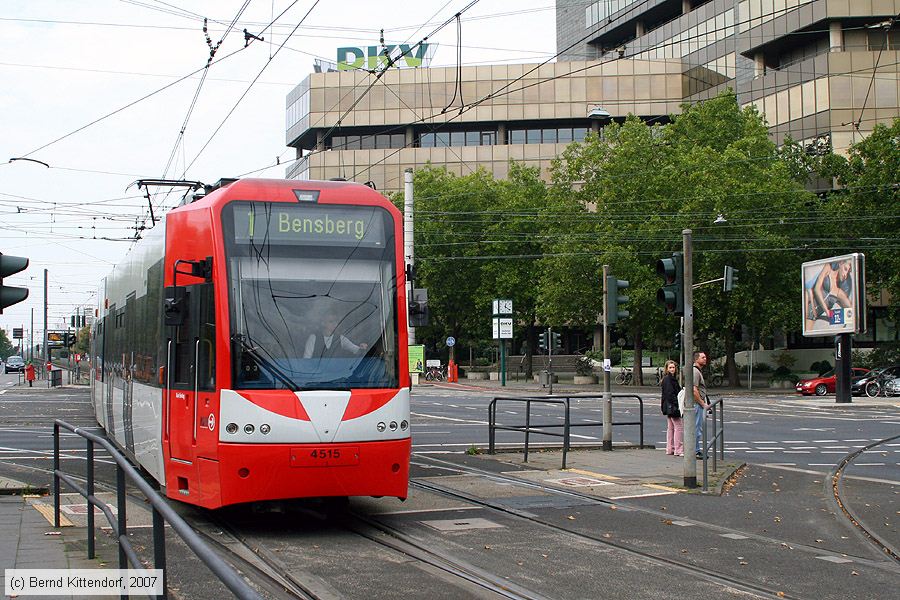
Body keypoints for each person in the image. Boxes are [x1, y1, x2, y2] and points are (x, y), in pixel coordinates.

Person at [303, 312, 368, 359]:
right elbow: (306, 359)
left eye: (335, 321)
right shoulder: (313, 338)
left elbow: (355, 349)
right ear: (323, 323)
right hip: (317, 375)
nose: (335, 323)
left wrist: (361, 348)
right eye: (331, 321)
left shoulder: (341, 338)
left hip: (334, 375)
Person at [659, 359, 683, 456]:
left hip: (668, 406)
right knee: (679, 427)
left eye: (673, 367)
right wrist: (677, 405)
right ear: (666, 369)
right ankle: (678, 449)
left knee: (671, 428)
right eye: (670, 368)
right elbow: (671, 394)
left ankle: (670, 448)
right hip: (672, 406)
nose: (672, 369)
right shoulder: (669, 379)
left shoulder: (666, 379)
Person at [692, 351, 712, 458]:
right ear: (696, 359)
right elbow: (694, 389)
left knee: (697, 427)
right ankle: (695, 451)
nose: (705, 359)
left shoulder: (697, 371)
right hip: (696, 404)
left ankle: (696, 450)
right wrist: (702, 403)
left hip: (697, 403)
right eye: (703, 357)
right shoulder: (695, 372)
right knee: (696, 427)